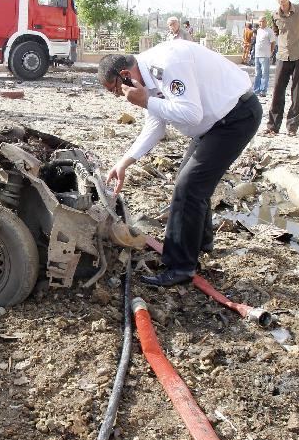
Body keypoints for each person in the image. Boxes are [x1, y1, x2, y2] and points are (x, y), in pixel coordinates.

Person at [99, 39, 261, 287]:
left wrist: (145, 101)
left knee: (189, 186)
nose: (120, 96)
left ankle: (180, 267)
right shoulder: (145, 78)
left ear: (124, 75)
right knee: (188, 181)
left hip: (235, 118)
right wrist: (124, 162)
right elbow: (155, 125)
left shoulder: (166, 65)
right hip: (213, 123)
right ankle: (201, 242)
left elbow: (191, 112)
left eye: (115, 90)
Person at [264, 0, 299, 137]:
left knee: (297, 93)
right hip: (282, 57)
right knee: (278, 91)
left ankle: (292, 127)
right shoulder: (274, 15)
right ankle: (273, 126)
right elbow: (277, 32)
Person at [253, 17, 276, 97]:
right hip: (257, 55)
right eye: (259, 21)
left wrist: (270, 52)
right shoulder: (258, 31)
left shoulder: (269, 31)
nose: (261, 23)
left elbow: (273, 43)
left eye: (262, 21)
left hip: (265, 56)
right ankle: (256, 90)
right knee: (257, 73)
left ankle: (263, 91)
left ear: (266, 22)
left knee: (264, 74)